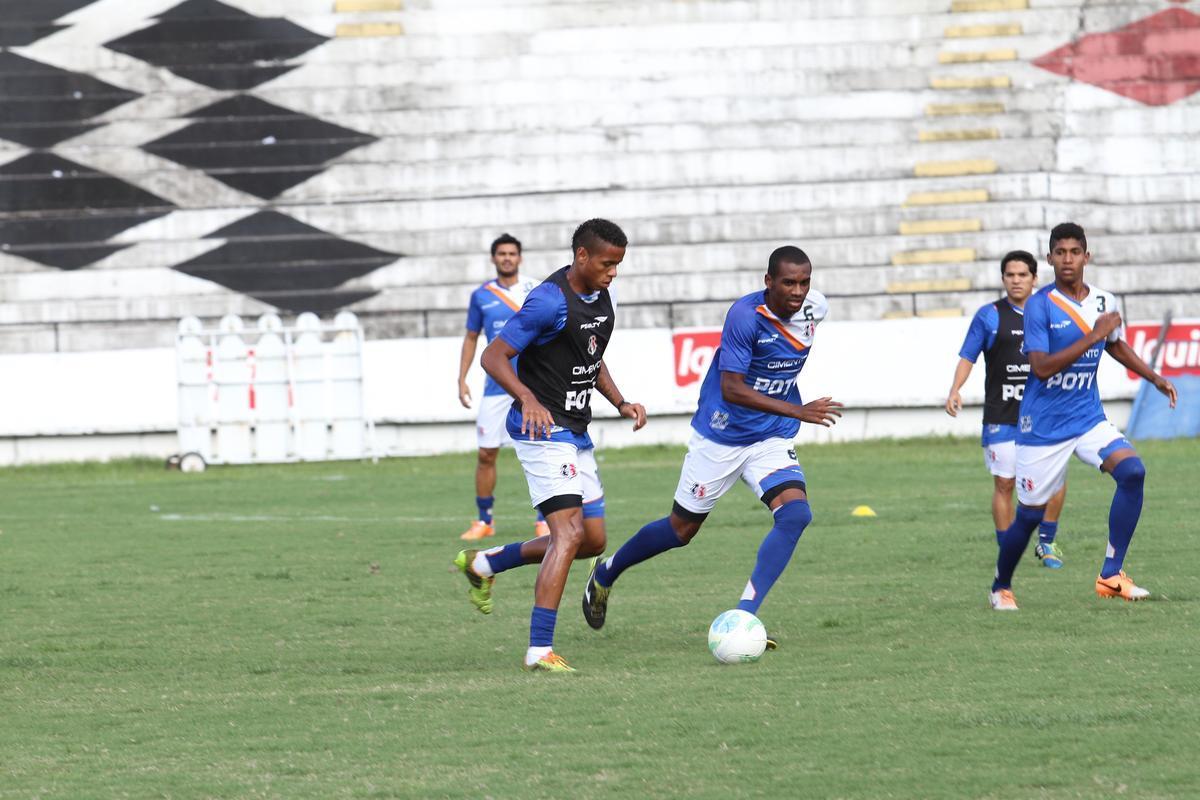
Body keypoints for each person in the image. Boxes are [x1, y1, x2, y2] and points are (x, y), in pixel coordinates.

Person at [580, 246, 843, 647]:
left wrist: (790, 410)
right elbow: (732, 388)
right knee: (681, 530)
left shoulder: (815, 309)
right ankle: (606, 572)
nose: (797, 291)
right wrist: (798, 410)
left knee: (795, 515)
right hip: (721, 436)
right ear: (768, 281)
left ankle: (744, 617)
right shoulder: (745, 317)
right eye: (788, 282)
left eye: (804, 282)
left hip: (770, 436)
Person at [452, 219, 647, 672]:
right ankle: (539, 649)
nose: (614, 272)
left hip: (575, 429)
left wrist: (620, 401)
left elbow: (590, 357)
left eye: (618, 264)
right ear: (582, 255)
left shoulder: (602, 296)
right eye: (607, 263)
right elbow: (493, 356)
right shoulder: (547, 301)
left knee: (592, 540)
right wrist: (527, 397)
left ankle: (484, 564)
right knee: (568, 534)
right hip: (541, 431)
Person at [989, 223, 1177, 611]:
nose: (1068, 259)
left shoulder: (1104, 300)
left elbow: (1115, 345)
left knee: (1133, 472)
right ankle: (1000, 586)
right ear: (1049, 258)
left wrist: (1155, 378)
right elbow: (1041, 367)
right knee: (1029, 517)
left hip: (1087, 417)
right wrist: (1093, 335)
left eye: (1075, 252)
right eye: (1060, 252)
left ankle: (1111, 575)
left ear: (1086, 257)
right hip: (1043, 427)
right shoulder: (1040, 305)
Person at [946, 251, 1069, 567]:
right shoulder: (989, 316)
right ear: (1003, 279)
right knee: (1004, 483)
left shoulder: (1052, 312)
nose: (1016, 280)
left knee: (1055, 480)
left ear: (1034, 278)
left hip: (1044, 414)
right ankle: (1007, 550)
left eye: (1022, 275)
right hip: (1002, 414)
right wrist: (955, 389)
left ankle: (1047, 542)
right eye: (1010, 275)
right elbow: (968, 356)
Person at [456, 234, 547, 541]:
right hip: (496, 388)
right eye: (502, 253)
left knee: (542, 451)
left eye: (512, 253)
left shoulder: (537, 290)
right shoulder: (481, 296)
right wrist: (462, 378)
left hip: (534, 386)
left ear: (520, 258)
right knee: (486, 454)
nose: (507, 258)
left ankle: (545, 519)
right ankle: (485, 521)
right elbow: (471, 338)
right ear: (493, 258)